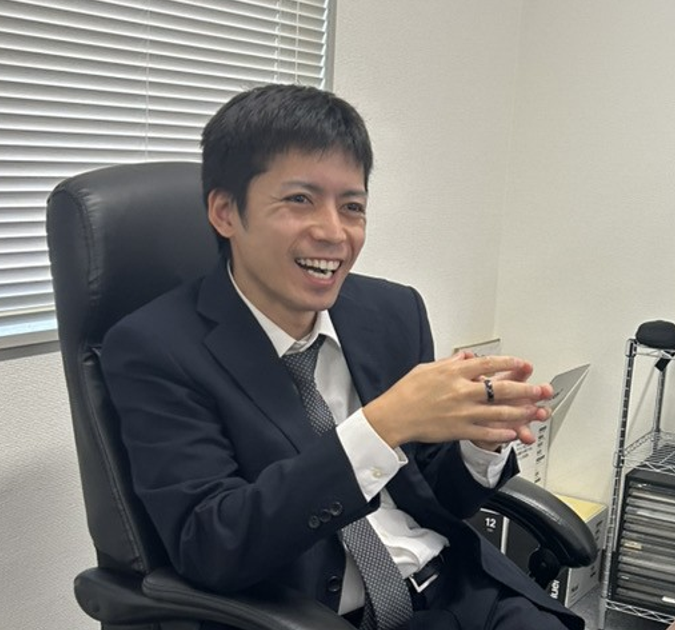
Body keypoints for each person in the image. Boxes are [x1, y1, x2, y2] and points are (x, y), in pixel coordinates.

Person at [101, 84, 582, 630]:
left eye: (352, 207)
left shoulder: (393, 312)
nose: (334, 233)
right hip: (307, 618)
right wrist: (381, 426)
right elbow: (213, 544)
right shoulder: (155, 349)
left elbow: (434, 494)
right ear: (226, 212)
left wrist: (479, 443)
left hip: (455, 592)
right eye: (299, 200)